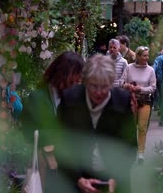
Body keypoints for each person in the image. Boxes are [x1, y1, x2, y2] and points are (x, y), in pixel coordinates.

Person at [56, 54, 137, 193]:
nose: (99, 92)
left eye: (104, 86)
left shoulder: (123, 101)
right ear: (85, 82)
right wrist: (78, 179)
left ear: (112, 82)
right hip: (76, 178)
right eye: (93, 86)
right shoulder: (69, 99)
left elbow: (130, 147)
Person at [21, 51, 85, 192]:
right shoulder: (37, 97)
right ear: (65, 73)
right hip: (47, 166)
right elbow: (27, 133)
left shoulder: (74, 97)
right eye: (76, 76)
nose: (78, 80)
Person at [120, 46, 156, 163]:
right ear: (138, 56)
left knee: (142, 127)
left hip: (145, 101)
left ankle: (141, 153)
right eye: (144, 55)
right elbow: (121, 81)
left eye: (147, 55)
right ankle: (131, 150)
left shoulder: (151, 70)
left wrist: (141, 89)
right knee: (131, 128)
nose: (147, 58)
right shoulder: (129, 68)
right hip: (130, 101)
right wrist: (127, 86)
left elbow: (153, 87)